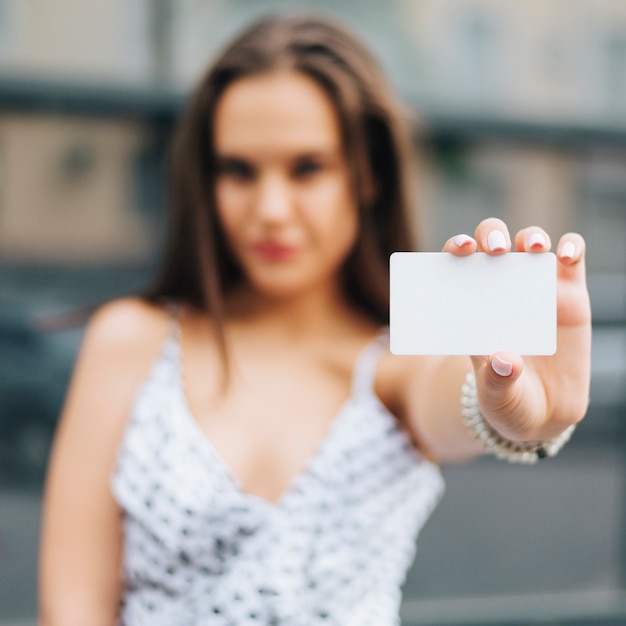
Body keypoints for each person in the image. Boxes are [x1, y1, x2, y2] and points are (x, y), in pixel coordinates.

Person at [38, 12, 591, 626]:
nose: (271, 209)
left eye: (308, 168)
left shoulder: (394, 363)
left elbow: (455, 398)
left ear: (368, 175)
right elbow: (73, 610)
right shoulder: (131, 340)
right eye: (238, 170)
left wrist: (515, 411)